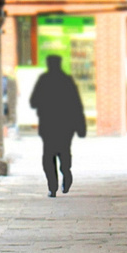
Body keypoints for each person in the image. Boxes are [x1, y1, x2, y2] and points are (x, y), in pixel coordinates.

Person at [30, 54, 86, 197]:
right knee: (63, 152)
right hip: (64, 125)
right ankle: (65, 173)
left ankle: (53, 186)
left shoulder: (44, 80)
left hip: (50, 124)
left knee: (49, 156)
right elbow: (76, 105)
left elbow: (33, 101)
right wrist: (80, 126)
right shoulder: (67, 81)